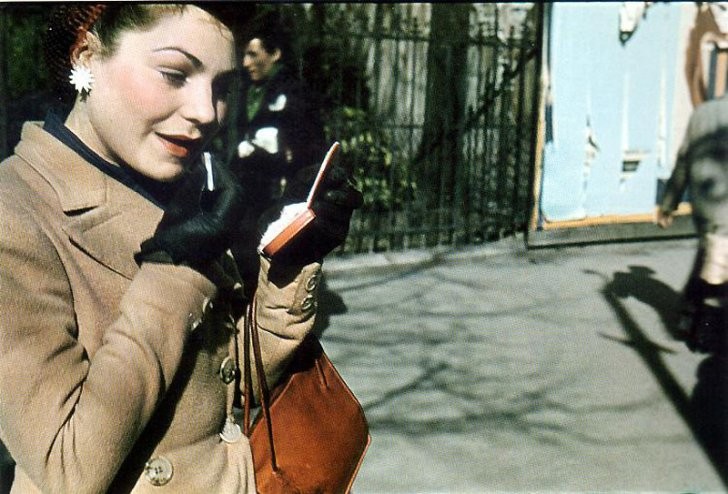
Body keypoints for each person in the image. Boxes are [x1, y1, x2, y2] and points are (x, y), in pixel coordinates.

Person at [0, 4, 361, 493]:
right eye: (175, 74)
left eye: (222, 87)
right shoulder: (14, 214)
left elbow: (228, 386)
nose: (206, 112)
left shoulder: (173, 183)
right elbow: (68, 468)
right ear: (86, 55)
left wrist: (288, 264)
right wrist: (175, 269)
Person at [228, 12, 328, 293]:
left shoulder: (296, 95)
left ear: (275, 54)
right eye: (244, 55)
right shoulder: (243, 90)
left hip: (274, 200)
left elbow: (310, 151)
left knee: (266, 276)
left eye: (253, 54)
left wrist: (275, 151)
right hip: (243, 197)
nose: (246, 63)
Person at [657, 94, 728, 354]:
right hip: (724, 210)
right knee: (715, 271)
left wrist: (669, 203)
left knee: (709, 258)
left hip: (704, 206)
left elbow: (684, 159)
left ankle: (689, 318)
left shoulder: (701, 114)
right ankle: (700, 333)